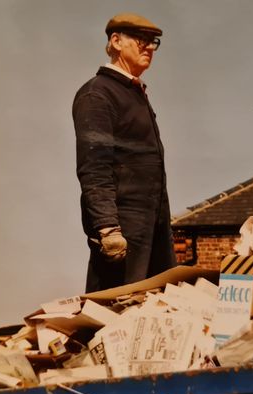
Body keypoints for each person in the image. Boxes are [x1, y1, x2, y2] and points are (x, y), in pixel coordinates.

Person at [72, 13, 176, 292]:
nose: (150, 47)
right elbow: (94, 167)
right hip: (123, 230)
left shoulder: (134, 93)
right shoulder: (98, 93)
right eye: (141, 40)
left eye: (153, 42)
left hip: (153, 226)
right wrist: (107, 227)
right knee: (114, 313)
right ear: (116, 41)